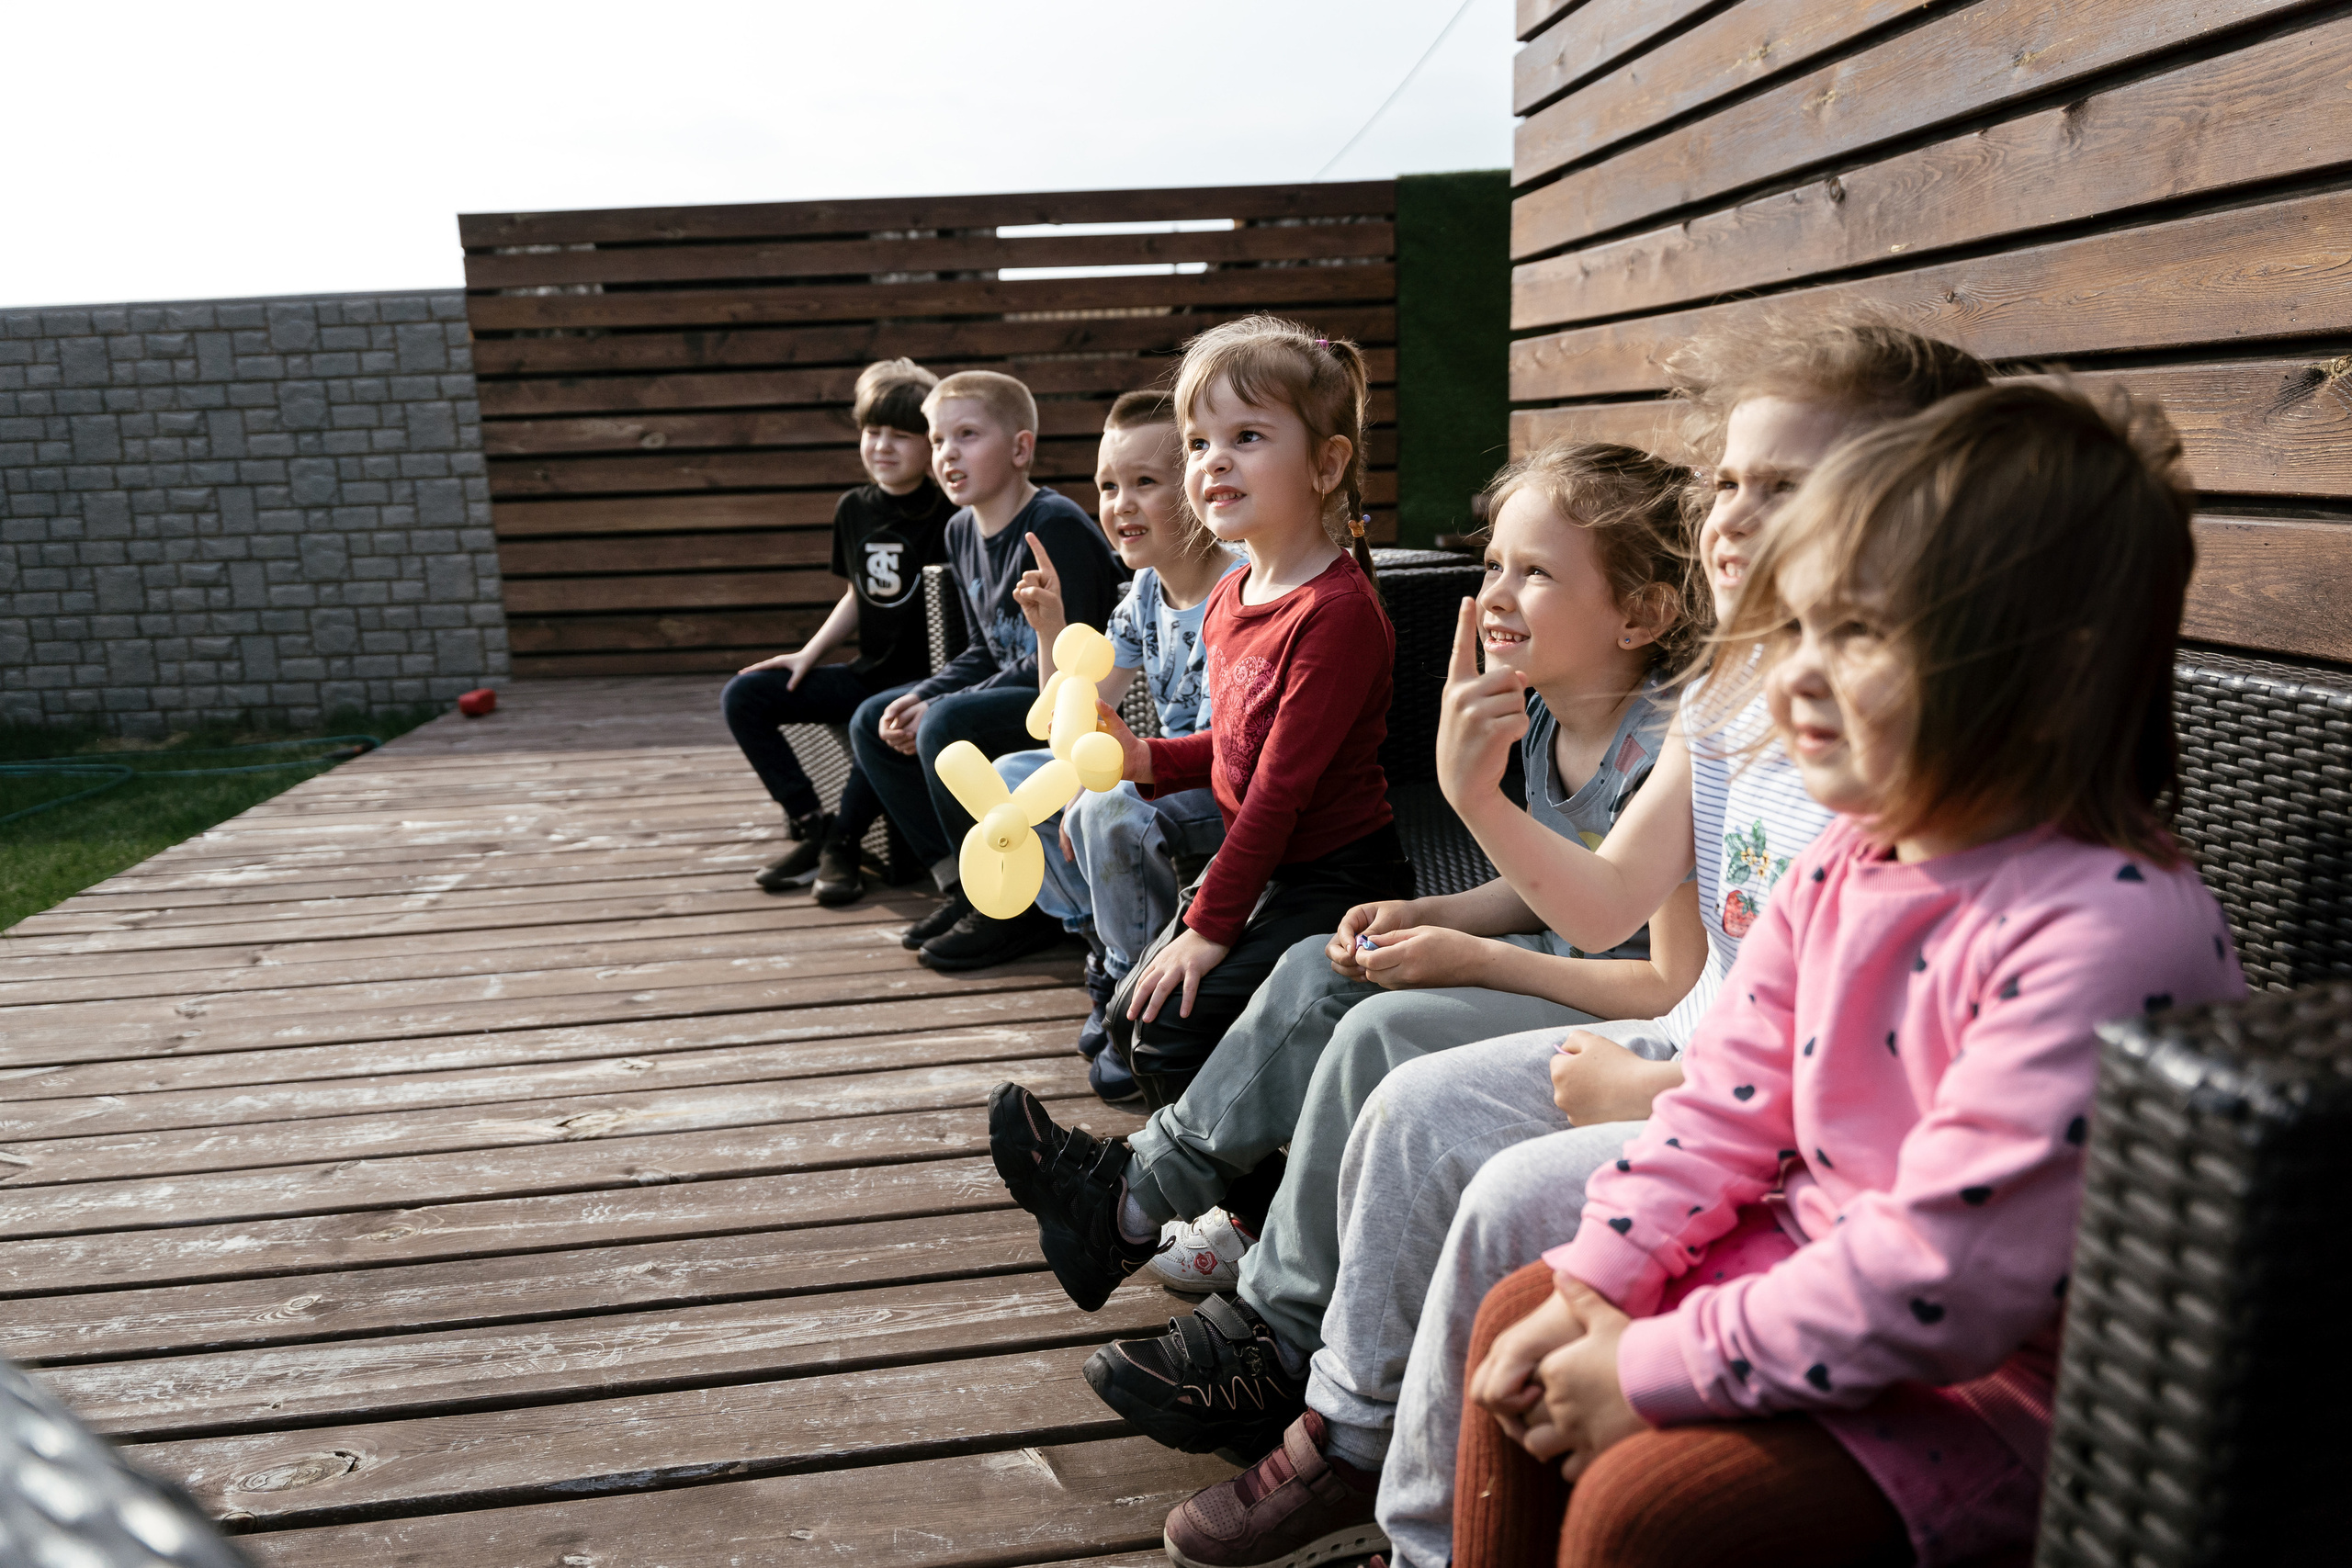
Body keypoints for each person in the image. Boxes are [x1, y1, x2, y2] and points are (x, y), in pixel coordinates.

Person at [1151, 312, 1995, 1568]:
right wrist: (1475, 799)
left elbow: (1851, 1042)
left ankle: (1423, 1533)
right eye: (1728, 482)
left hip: (1740, 1101)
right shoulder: (1729, 695)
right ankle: (1350, 1430)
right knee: (1413, 1106)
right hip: (1703, 1062)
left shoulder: (1897, 771)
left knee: (1497, 1192)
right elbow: (1606, 903)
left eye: (1784, 487)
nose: (1730, 516)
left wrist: (1659, 1080)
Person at [1452, 379, 2245, 1568]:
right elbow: (1722, 1105)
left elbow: (1944, 1278)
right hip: (1814, 1281)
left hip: (1993, 1395)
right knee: (1526, 1320)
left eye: (1861, 633)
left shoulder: (2100, 931)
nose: (1795, 677)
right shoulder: (1850, 856)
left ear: (2048, 670)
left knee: (1651, 1509)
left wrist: (1654, 1364)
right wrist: (1601, 1282)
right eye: (1797, 626)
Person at [1041, 441, 1716, 1469]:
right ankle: (1139, 1195)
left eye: (1536, 571)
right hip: (1565, 961)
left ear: (1643, 615)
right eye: (1494, 563)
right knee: (1322, 962)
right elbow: (1546, 883)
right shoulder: (1541, 711)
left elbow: (1660, 977)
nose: (1497, 594)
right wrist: (1424, 911)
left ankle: (1273, 1333)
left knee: (1382, 1030)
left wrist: (1471, 957)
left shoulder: (1663, 748)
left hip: (1624, 1014)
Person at [988, 312, 1420, 1309]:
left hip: (1335, 878)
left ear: (1328, 465)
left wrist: (1207, 927)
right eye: (1197, 442)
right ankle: (1228, 1211)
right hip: (1267, 865)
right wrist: (1149, 758)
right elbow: (1235, 750)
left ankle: (1238, 1224)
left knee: (1177, 1025)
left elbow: (1278, 793)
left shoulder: (1336, 614)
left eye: (1247, 436)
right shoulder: (1234, 597)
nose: (1211, 461)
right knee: (1145, 1022)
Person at [978, 390, 1244, 1100]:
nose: (1121, 504)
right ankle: (1103, 945)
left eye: (1144, 482)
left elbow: (1231, 750)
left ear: (1195, 489)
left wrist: (1103, 784)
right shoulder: (1144, 591)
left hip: (1224, 789)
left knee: (1106, 808)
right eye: (1107, 486)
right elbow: (1066, 718)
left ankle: (1138, 991)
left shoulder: (1240, 589)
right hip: (1157, 772)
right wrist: (1051, 628)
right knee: (1013, 781)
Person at [846, 369, 1122, 967]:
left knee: (945, 724)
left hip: (1068, 704)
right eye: (937, 440)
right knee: (874, 717)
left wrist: (936, 705)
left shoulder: (1054, 526)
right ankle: (964, 882)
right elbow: (982, 649)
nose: (947, 453)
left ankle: (1014, 909)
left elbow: (1071, 654)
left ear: (1021, 448)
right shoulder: (959, 530)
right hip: (1013, 687)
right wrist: (923, 692)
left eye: (967, 435)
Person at [723, 359, 956, 904]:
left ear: (929, 444)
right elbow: (858, 593)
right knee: (745, 695)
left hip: (920, 685)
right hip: (867, 672)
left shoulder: (949, 512)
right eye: (873, 432)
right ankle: (814, 826)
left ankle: (844, 845)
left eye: (902, 435)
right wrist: (807, 654)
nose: (883, 446)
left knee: (875, 719)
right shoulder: (853, 508)